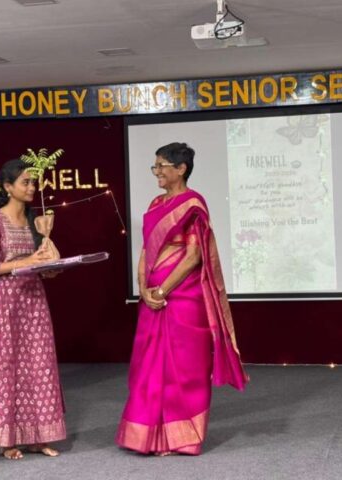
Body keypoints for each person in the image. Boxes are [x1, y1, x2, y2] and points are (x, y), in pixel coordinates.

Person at [116, 142, 248, 456]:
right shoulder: (155, 203)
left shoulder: (193, 204)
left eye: (161, 166)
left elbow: (193, 256)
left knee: (184, 369)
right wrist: (143, 288)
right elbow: (146, 249)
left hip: (183, 298)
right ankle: (148, 437)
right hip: (152, 298)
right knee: (149, 368)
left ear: (181, 169)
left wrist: (163, 290)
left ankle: (183, 439)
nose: (157, 172)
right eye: (155, 166)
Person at [0, 159, 66, 460]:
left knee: (39, 366)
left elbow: (41, 262)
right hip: (3, 304)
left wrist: (50, 266)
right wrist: (26, 262)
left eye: (34, 182)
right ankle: (7, 440)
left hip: (33, 301)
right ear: (8, 186)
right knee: (6, 369)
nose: (32, 187)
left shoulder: (35, 220)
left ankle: (37, 437)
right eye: (25, 182)